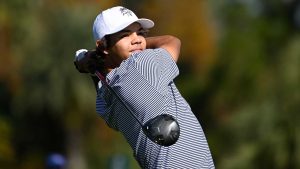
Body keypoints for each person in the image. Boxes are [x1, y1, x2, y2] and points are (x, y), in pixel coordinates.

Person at [74, 6, 214, 168]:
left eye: (140, 33)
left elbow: (102, 78)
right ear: (103, 45)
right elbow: (172, 41)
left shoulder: (105, 100)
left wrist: (92, 60)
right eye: (125, 35)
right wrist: (91, 57)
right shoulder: (141, 66)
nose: (138, 40)